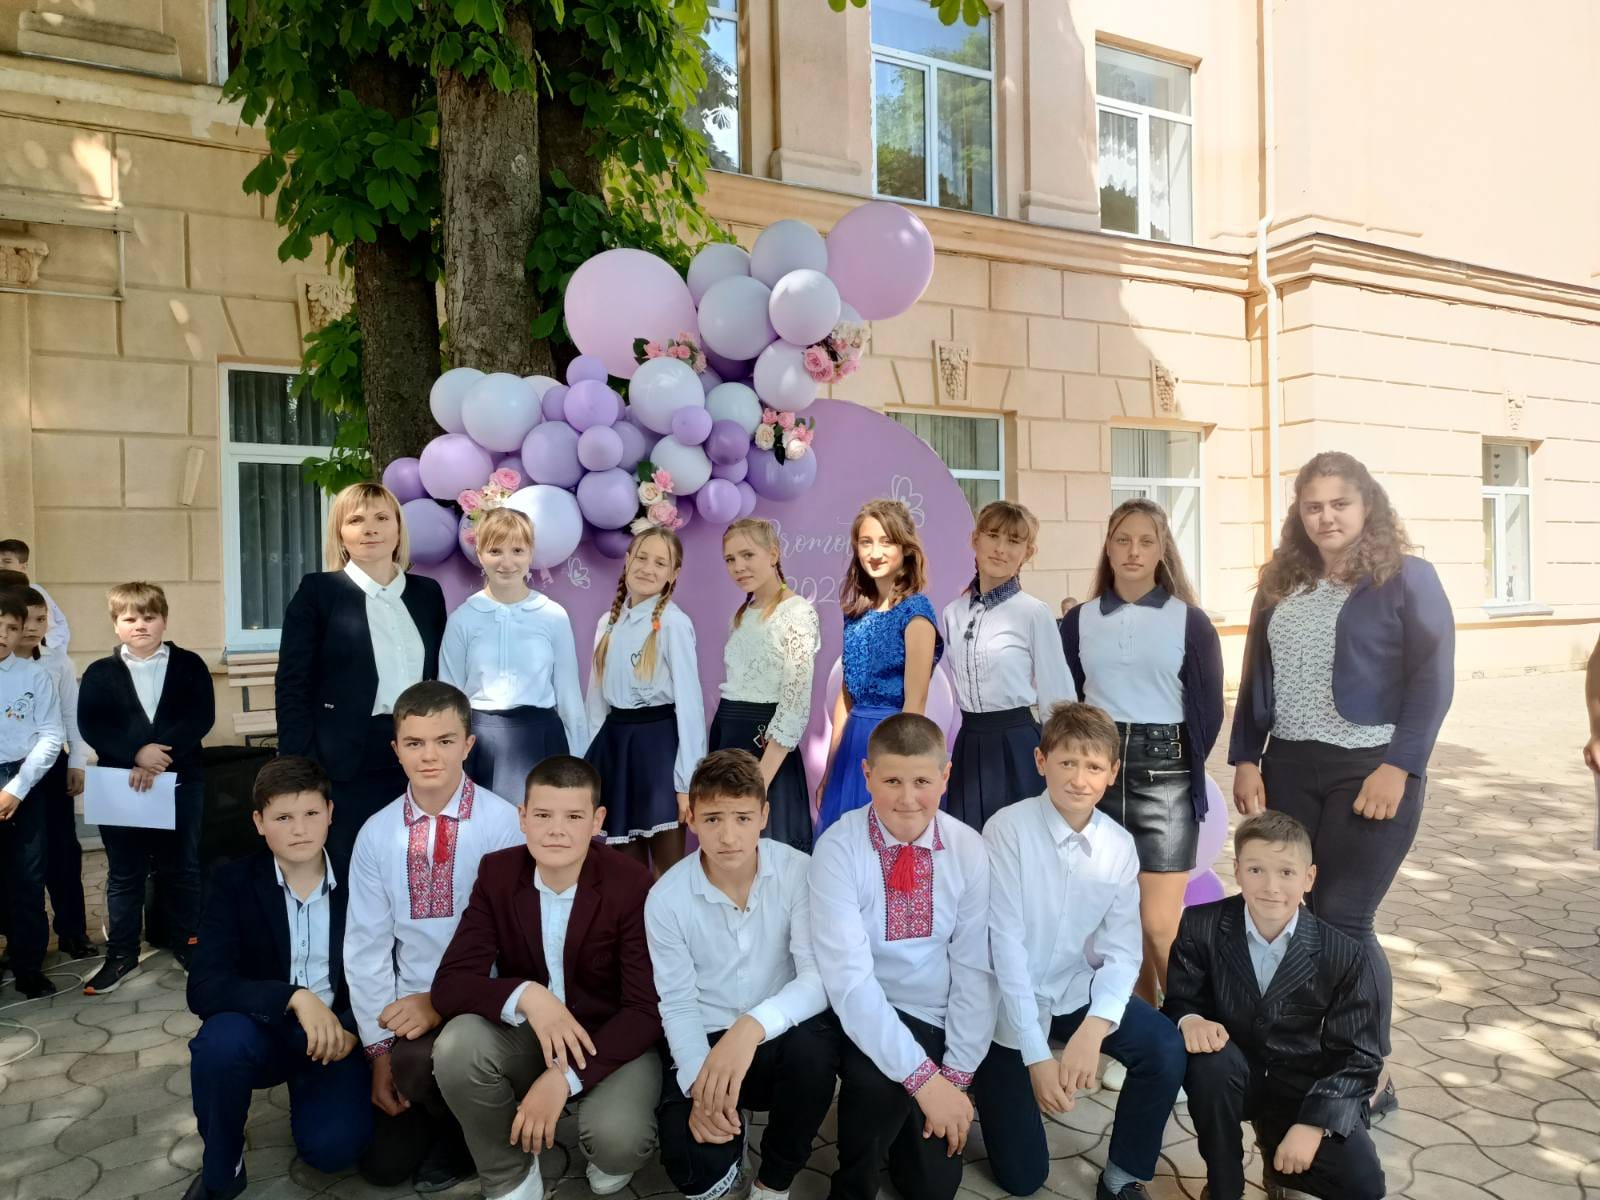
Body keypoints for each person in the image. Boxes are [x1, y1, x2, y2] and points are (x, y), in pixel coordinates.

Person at [1229, 451, 1454, 1115]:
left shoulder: (1408, 578)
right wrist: (1246, 756)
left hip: (1371, 768)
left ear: (1366, 505)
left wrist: (1400, 764)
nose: (1326, 516)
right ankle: (1319, 1055)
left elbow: (1433, 678)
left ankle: (1368, 1076)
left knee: (1344, 918)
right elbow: (1255, 673)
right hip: (1290, 766)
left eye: (1339, 503)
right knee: (1301, 917)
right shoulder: (1280, 581)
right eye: (1313, 506)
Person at [978, 702, 1186, 1200]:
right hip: (1003, 1007)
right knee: (1023, 1179)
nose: (1078, 779)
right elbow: (1004, 949)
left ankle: (1122, 1176)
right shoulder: (1006, 830)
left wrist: (1094, 1029)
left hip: (1071, 989)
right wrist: (1036, 1057)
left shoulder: (1118, 846)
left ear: (1112, 772)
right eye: (1067, 762)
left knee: (1162, 1045)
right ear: (1040, 761)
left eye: (1093, 766)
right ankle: (987, 1080)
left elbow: (1123, 951)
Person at [432, 755, 662, 1200]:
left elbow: (643, 1010)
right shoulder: (498, 873)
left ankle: (600, 1139)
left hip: (611, 1036)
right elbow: (450, 984)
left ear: (597, 821)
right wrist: (529, 995)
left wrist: (563, 1079)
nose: (556, 830)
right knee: (458, 1045)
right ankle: (510, 1174)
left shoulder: (630, 883)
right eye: (542, 815)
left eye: (573, 816)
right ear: (522, 818)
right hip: (531, 1034)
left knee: (619, 1141)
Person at [343, 681, 522, 1191]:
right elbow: (366, 947)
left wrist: (443, 1002)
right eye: (415, 742)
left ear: (468, 744)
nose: (429, 756)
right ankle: (441, 1117)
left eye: (445, 741)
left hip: (483, 1006)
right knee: (384, 1166)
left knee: (434, 1062)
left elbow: (513, 943)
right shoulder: (377, 833)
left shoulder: (503, 825)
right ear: (396, 749)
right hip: (407, 1015)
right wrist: (378, 1052)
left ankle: (478, 1137)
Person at [809, 713, 992, 1200]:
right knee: (874, 1087)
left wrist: (954, 1077)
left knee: (932, 1188)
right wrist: (923, 1081)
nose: (907, 798)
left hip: (932, 1015)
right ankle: (854, 1182)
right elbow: (849, 980)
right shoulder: (838, 849)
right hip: (858, 1011)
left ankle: (905, 1124)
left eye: (922, 782)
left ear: (945, 776)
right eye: (891, 781)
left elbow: (974, 968)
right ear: (867, 774)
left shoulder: (968, 848)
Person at [647, 749, 839, 1200]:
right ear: (692, 818)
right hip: (706, 1036)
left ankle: (774, 1180)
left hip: (776, 1032)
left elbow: (816, 980)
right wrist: (702, 1088)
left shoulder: (799, 872)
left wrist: (750, 1028)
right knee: (695, 1171)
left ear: (764, 816)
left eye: (742, 817)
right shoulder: (666, 898)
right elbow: (677, 1003)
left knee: (816, 1053)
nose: (729, 836)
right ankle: (731, 1134)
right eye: (713, 819)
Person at [1164, 811, 1385, 1200]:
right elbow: (1180, 999)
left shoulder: (1343, 953)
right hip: (1229, 1074)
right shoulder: (1201, 925)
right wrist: (1191, 1018)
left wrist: (1313, 1125)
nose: (1271, 886)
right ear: (1237, 870)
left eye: (1286, 872)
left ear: (1309, 878)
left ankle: (1278, 1160)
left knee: (1363, 1186)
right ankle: (1224, 1184)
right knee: (1209, 1064)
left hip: (1301, 1084)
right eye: (1256, 870)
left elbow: (1360, 1057)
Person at [184, 757, 373, 1200]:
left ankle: (313, 1094)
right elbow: (204, 986)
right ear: (259, 822)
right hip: (261, 1029)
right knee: (218, 1046)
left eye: (311, 813)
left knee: (335, 1150)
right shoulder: (232, 881)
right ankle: (223, 1166)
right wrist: (294, 996)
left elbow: (388, 964)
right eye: (283, 817)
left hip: (334, 1036)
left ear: (330, 813)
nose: (299, 829)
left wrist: (352, 1027)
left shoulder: (361, 877)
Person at [1061, 498, 1224, 1009]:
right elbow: (1067, 702)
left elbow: (1208, 711)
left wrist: (1177, 763)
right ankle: (1143, 1027)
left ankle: (1187, 1029)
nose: (1134, 551)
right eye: (1123, 540)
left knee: (1159, 925)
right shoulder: (1078, 621)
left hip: (1166, 778)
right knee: (1119, 925)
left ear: (1161, 550)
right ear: (1108, 548)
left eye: (1146, 541)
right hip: (1098, 777)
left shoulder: (1190, 621)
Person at [276, 482, 448, 863]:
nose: (370, 529)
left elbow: (439, 678)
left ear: (398, 530)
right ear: (340, 533)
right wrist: (301, 767)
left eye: (382, 518)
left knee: (416, 863)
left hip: (418, 754)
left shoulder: (427, 594)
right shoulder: (318, 592)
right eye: (356, 520)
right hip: (345, 760)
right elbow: (292, 684)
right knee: (351, 867)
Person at [78, 582, 215, 993]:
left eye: (149, 617)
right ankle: (121, 954)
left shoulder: (189, 665)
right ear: (115, 625)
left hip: (180, 779)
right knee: (124, 873)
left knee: (182, 869)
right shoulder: (100, 673)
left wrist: (159, 756)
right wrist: (136, 753)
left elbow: (200, 716)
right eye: (130, 618)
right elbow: (92, 724)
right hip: (122, 784)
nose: (140, 625)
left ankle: (189, 945)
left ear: (164, 620)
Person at [941, 500, 1075, 831]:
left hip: (1018, 746)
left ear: (1028, 552)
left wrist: (1065, 763)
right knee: (970, 844)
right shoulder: (952, 613)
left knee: (1021, 843)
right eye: (993, 536)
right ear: (975, 540)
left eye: (1013, 541)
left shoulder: (1033, 612)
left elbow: (1058, 697)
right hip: (969, 744)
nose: (1001, 549)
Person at [441, 507, 588, 801]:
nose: (506, 562)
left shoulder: (552, 616)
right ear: (480, 554)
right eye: (495, 551)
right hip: (480, 742)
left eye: (517, 550)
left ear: (530, 553)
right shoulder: (462, 619)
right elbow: (449, 698)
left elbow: (569, 697)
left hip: (541, 738)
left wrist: (580, 765)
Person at [816, 499, 943, 836]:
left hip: (894, 745)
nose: (875, 553)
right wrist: (830, 768)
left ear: (905, 548)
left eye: (886, 542)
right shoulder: (855, 614)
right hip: (851, 749)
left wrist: (899, 774)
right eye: (866, 542)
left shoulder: (917, 613)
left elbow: (915, 704)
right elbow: (846, 698)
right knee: (847, 844)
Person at [584, 526, 705, 873]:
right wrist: (589, 766)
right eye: (641, 558)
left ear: (673, 574)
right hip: (616, 749)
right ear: (627, 561)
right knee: (625, 870)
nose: (648, 569)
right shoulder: (608, 624)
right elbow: (596, 704)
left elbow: (690, 705)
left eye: (660, 563)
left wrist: (686, 783)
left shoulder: (673, 624)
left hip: (659, 753)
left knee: (667, 868)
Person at [712, 518, 821, 850]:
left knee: (766, 849)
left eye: (747, 555)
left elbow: (794, 706)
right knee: (728, 849)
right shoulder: (742, 614)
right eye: (730, 559)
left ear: (773, 554)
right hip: (727, 739)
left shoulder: (797, 613)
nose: (738, 567)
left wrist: (759, 781)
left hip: (764, 751)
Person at [12, 587, 92, 958]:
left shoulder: (57, 662)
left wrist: (77, 762)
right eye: (25, 620)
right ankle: (24, 943)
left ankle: (73, 931)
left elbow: (71, 716)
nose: (33, 628)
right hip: (12, 768)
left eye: (41, 619)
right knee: (24, 860)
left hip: (53, 766)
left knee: (64, 851)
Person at [0, 585, 65, 998]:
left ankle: (28, 966)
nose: (2, 634)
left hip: (23, 780)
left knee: (26, 877)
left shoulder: (34, 676)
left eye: (11, 627)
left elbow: (51, 735)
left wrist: (18, 788)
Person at [0, 539, 70, 658]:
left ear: (24, 566)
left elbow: (58, 626)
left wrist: (44, 652)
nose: (0, 565)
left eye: (7, 561)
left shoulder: (35, 592)